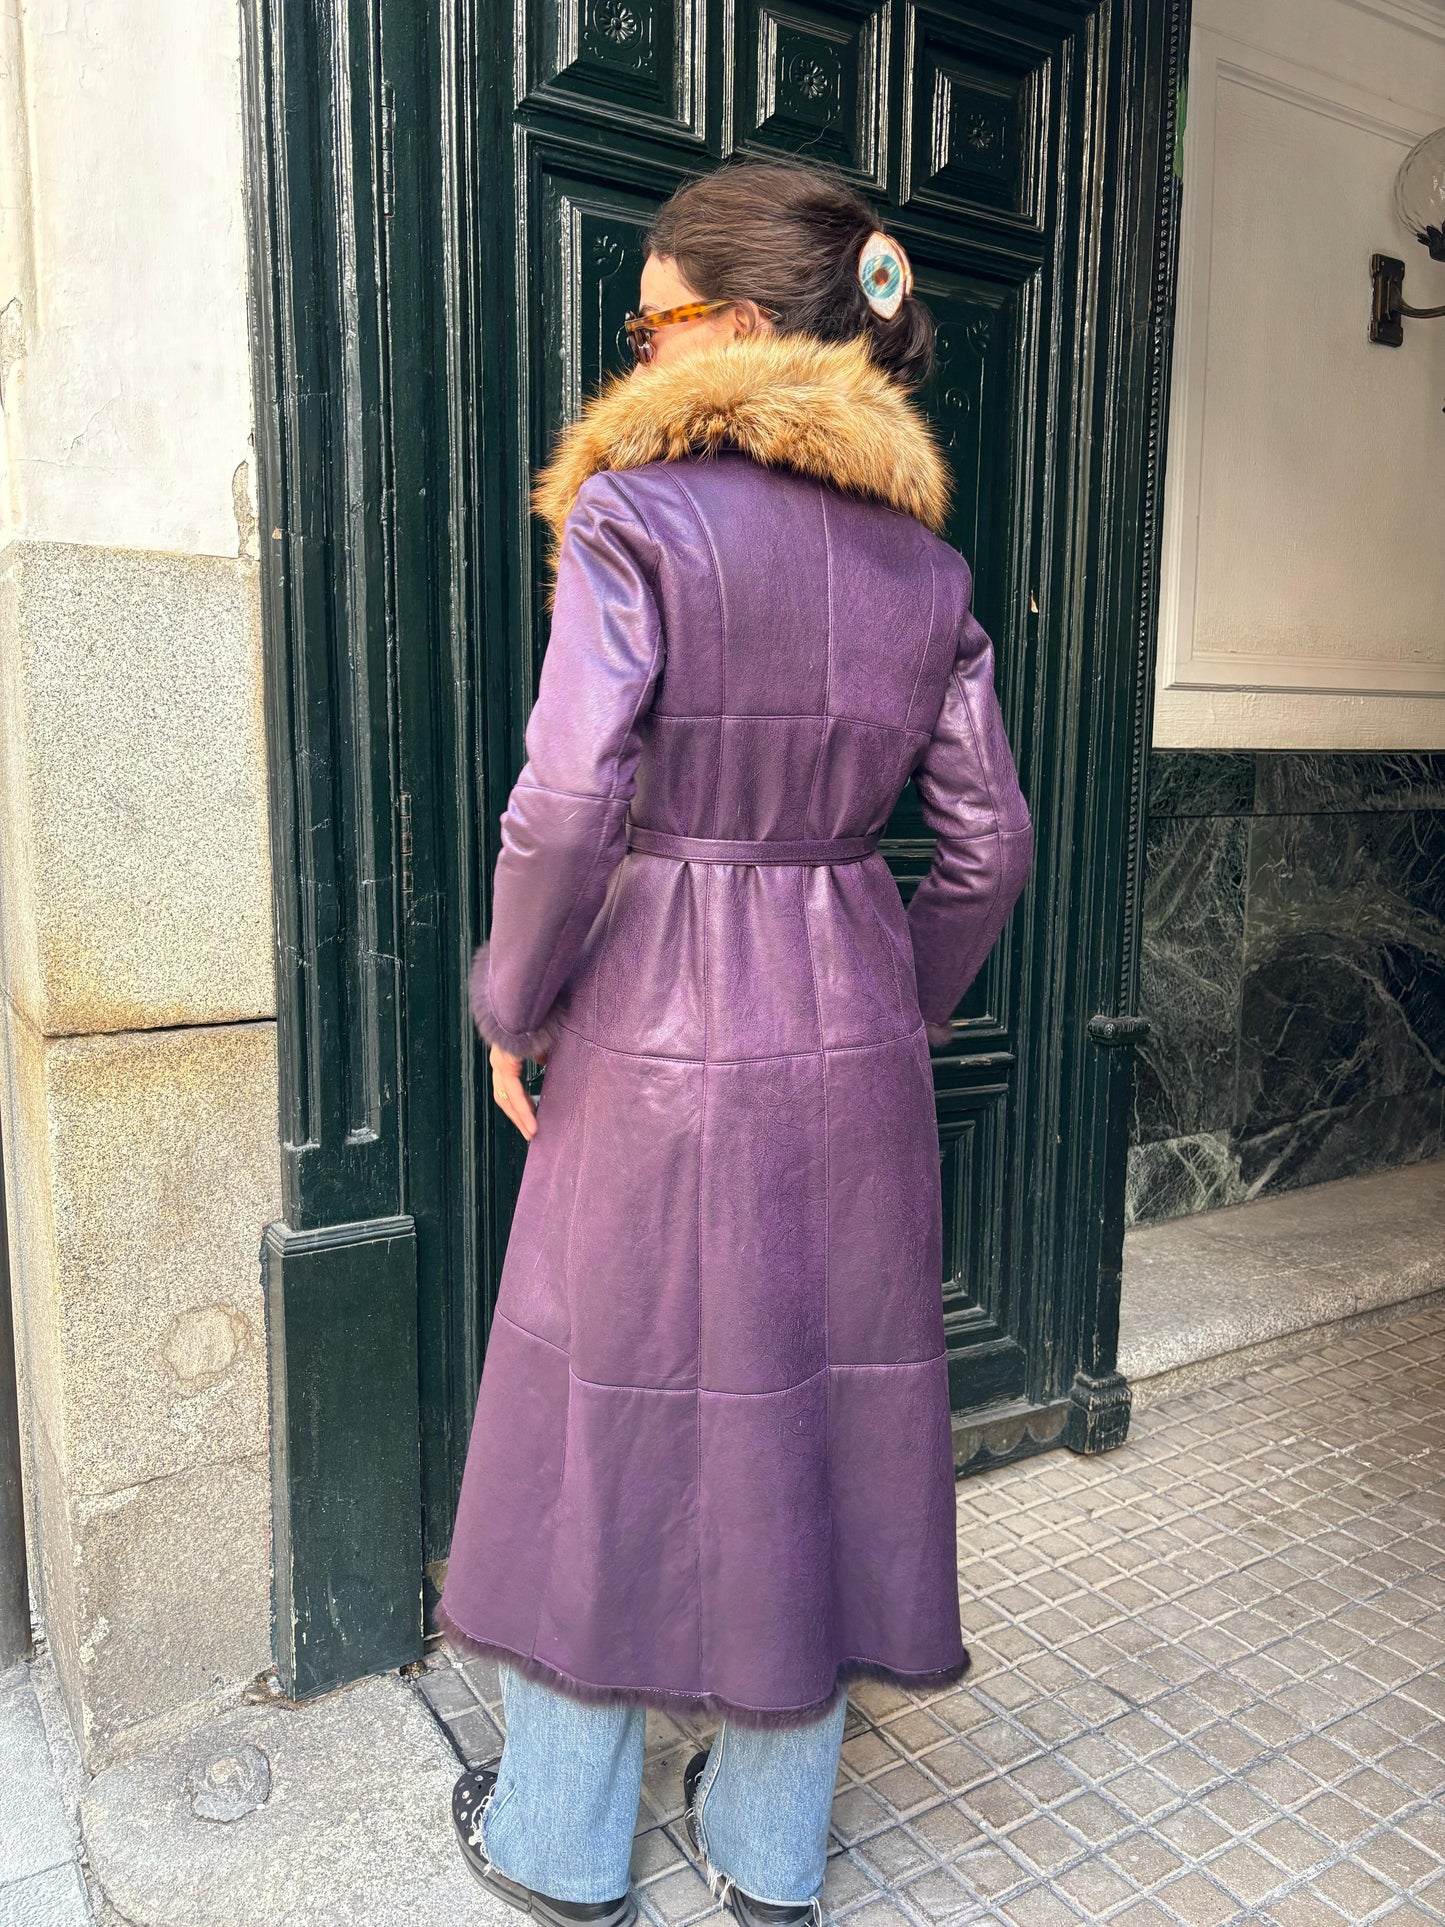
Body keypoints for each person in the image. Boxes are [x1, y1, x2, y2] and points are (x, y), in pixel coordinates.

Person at [437, 156, 1034, 1927]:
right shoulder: (925, 565)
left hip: (650, 1023)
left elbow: (565, 803)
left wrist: (512, 1001)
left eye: (652, 322)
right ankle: (770, 1853)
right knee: (828, 1413)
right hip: (850, 1017)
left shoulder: (634, 518)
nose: (634, 350)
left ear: (743, 326)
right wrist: (895, 1008)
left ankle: (558, 1839)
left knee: (604, 1407)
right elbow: (989, 844)